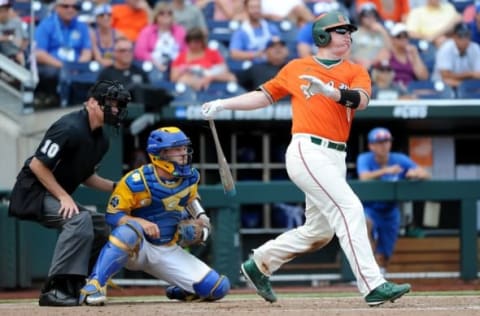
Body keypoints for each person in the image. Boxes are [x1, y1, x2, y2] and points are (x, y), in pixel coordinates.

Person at [201, 10, 411, 306]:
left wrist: (332, 92)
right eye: (340, 31)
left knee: (319, 232)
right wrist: (224, 104)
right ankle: (373, 284)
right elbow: (264, 95)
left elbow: (362, 101)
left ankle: (260, 262)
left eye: (349, 31)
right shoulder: (297, 67)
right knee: (350, 208)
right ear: (322, 36)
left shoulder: (355, 70)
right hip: (307, 149)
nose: (347, 36)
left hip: (336, 155)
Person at [8, 80, 132, 306]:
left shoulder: (102, 140)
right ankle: (55, 289)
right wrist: (64, 196)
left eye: (118, 105)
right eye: (110, 103)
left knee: (99, 225)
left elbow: (85, 176)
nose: (115, 109)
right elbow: (38, 165)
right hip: (33, 192)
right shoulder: (69, 127)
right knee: (79, 220)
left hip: (54, 194)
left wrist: (119, 187)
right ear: (93, 103)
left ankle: (81, 284)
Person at [78, 127, 230, 305]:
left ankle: (182, 289)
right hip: (136, 247)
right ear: (161, 153)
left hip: (166, 247)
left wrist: (202, 218)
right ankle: (94, 285)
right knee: (128, 230)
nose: (184, 153)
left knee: (218, 287)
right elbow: (113, 216)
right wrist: (140, 222)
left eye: (184, 148)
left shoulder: (189, 177)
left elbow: (190, 198)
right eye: (177, 149)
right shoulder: (136, 181)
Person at [356, 127, 430, 274]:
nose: (384, 145)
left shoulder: (399, 159)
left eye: (386, 142)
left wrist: (415, 173)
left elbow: (425, 174)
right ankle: (366, 272)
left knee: (384, 255)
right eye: (379, 142)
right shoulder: (365, 158)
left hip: (390, 211)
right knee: (365, 225)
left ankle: (380, 273)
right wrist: (385, 171)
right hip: (369, 208)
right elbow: (363, 177)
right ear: (371, 145)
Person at [34, 0, 92, 105]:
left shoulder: (81, 26)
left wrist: (77, 66)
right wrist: (64, 66)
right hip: (54, 66)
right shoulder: (46, 25)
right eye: (65, 6)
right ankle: (52, 100)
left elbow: (87, 52)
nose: (70, 9)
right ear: (57, 7)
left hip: (77, 66)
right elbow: (39, 54)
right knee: (51, 72)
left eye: (74, 7)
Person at [170, 27, 237, 91]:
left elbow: (224, 70)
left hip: (212, 80)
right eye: (191, 42)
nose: (193, 45)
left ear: (202, 41)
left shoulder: (212, 53)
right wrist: (186, 70)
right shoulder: (180, 57)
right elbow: (173, 77)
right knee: (184, 78)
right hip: (191, 83)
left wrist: (210, 77)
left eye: (196, 42)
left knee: (231, 77)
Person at [134, 1, 187, 81]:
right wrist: (155, 62)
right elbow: (139, 51)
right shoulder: (147, 31)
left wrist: (177, 65)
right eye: (162, 13)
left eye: (169, 13)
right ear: (156, 16)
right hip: (154, 63)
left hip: (176, 64)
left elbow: (186, 51)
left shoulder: (180, 31)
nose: (166, 16)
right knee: (155, 73)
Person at [431, 22, 480, 89]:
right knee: (448, 81)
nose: (464, 40)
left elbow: (478, 74)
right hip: (442, 85)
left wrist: (468, 79)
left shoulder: (475, 48)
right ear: (454, 37)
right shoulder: (445, 48)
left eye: (466, 36)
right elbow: (445, 75)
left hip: (467, 85)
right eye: (460, 36)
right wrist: (470, 74)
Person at [89, 3, 124, 68]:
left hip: (116, 67)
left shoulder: (119, 35)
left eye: (109, 15)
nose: (106, 18)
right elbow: (98, 58)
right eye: (102, 15)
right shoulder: (92, 35)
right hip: (98, 67)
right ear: (96, 18)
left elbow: (122, 55)